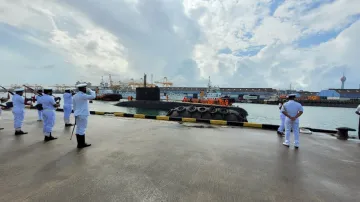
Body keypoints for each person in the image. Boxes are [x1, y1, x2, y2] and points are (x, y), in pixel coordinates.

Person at [73, 83, 96, 148]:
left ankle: (79, 144)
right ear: (83, 88)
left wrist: (75, 113)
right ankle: (82, 144)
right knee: (82, 129)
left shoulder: (75, 95)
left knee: (78, 128)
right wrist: (91, 91)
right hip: (83, 114)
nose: (86, 89)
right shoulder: (83, 95)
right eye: (85, 88)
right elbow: (93, 96)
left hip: (77, 114)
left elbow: (74, 106)